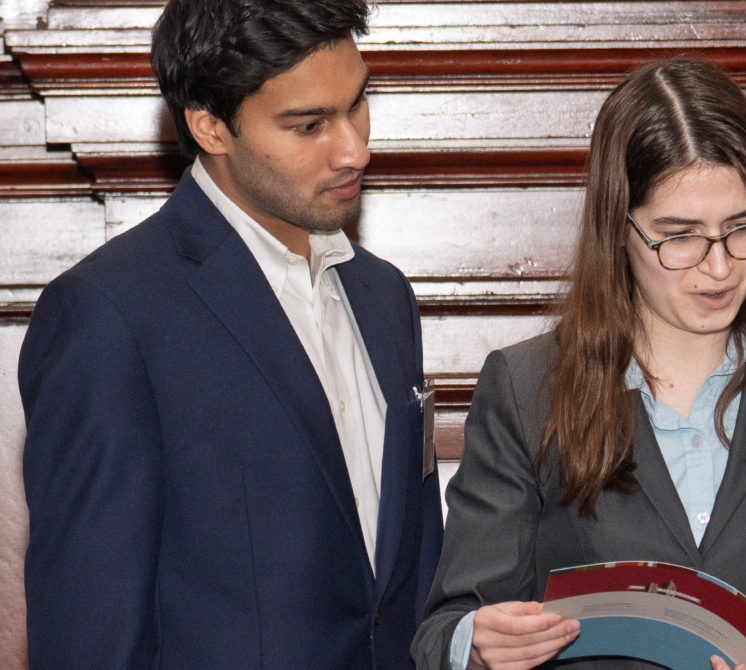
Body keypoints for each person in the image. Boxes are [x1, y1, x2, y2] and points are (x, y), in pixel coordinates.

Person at [412, 58, 746, 670]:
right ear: (617, 230)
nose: (721, 266)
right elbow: (444, 629)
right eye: (680, 235)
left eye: (743, 226)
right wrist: (480, 646)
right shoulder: (529, 388)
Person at [18, 0, 442, 667]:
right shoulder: (108, 314)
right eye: (308, 125)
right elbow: (89, 630)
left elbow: (411, 580)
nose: (355, 147)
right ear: (210, 127)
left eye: (358, 104)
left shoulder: (384, 296)